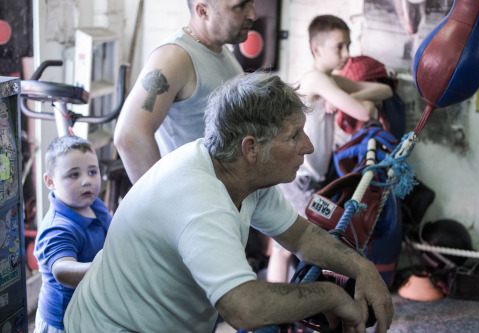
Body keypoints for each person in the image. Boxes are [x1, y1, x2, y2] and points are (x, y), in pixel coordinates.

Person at [64, 72, 393, 333]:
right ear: (251, 148)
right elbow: (244, 309)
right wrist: (332, 296)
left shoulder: (242, 174)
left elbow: (302, 237)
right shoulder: (201, 200)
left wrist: (364, 270)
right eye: (293, 135)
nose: (307, 146)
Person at [267, 15, 394, 283]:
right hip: (295, 178)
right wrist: (355, 102)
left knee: (289, 249)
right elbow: (363, 110)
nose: (346, 54)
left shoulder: (329, 81)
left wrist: (347, 97)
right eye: (339, 47)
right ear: (316, 48)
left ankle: (287, 316)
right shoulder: (314, 79)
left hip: (306, 177)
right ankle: (279, 320)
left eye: (347, 46)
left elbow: (385, 91)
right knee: (293, 249)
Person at [114, 0, 257, 184]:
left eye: (252, 3)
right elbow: (129, 136)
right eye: (240, 6)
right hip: (194, 202)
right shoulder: (174, 57)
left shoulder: (221, 51)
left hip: (222, 199)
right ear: (203, 11)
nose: (253, 15)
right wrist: (164, 205)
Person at [33, 135, 112, 332]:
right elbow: (62, 270)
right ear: (50, 181)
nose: (86, 181)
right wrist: (110, 267)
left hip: (90, 311)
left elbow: (115, 231)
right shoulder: (57, 227)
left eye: (92, 172)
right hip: (62, 322)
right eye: (74, 175)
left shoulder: (94, 204)